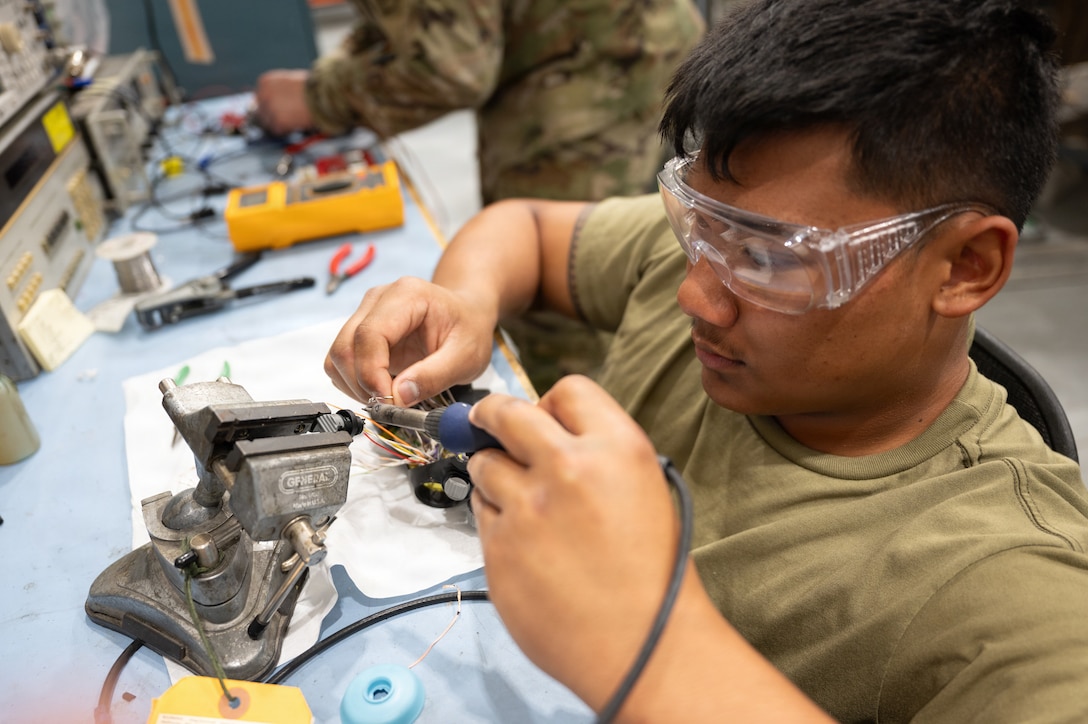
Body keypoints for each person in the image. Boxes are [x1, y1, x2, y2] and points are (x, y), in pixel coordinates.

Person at [325, 0, 1088, 720]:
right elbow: (521, 226)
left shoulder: (1011, 587)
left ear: (965, 267)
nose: (698, 293)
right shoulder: (716, 257)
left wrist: (643, 640)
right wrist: (463, 301)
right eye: (698, 221)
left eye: (766, 257)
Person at [254, 1, 705, 205]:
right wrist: (328, 78)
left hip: (588, 74)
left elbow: (452, 69)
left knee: (550, 281)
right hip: (627, 40)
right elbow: (410, 21)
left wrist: (320, 97)